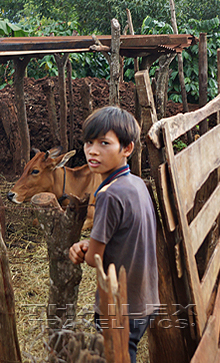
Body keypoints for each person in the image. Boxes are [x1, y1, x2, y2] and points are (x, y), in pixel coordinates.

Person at [68, 106, 159, 363]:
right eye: (89, 142)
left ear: (127, 149)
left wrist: (82, 249)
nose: (93, 151)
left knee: (117, 357)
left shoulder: (109, 195)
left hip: (119, 305)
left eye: (104, 143)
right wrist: (90, 241)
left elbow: (93, 259)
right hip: (146, 298)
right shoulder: (137, 184)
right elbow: (122, 236)